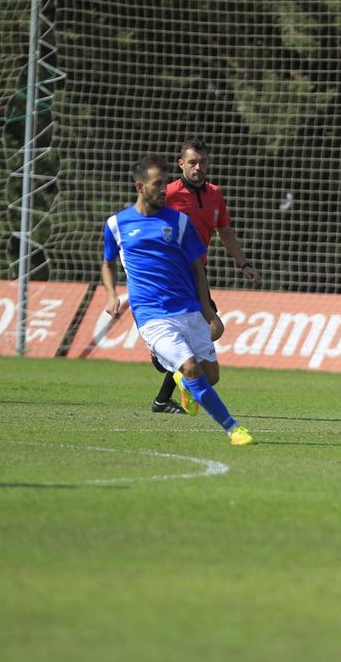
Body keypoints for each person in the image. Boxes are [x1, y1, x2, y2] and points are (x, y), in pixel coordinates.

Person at [102, 154, 255, 446]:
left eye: (164, 183)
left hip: (187, 308)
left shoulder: (180, 223)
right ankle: (233, 428)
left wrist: (207, 310)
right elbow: (108, 263)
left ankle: (184, 384)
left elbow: (198, 267)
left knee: (210, 376)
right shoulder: (117, 225)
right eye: (156, 184)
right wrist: (111, 295)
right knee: (191, 366)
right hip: (152, 315)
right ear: (139, 186)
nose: (163, 190)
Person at [148, 138, 261, 414]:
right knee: (210, 329)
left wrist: (243, 264)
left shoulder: (214, 194)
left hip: (198, 272)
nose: (198, 167)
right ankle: (166, 367)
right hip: (171, 273)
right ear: (181, 164)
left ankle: (165, 389)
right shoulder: (169, 193)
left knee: (208, 331)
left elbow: (225, 231)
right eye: (193, 162)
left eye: (203, 162)